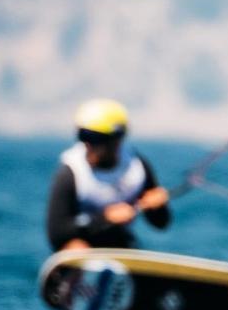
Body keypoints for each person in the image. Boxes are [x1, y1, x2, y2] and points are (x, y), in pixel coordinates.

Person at [45, 98, 171, 251]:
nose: (88, 145)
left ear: (116, 140)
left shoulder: (137, 167)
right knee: (77, 247)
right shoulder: (70, 173)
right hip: (80, 246)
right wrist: (105, 218)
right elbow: (56, 233)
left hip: (120, 243)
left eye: (95, 138)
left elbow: (161, 224)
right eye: (83, 136)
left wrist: (158, 207)